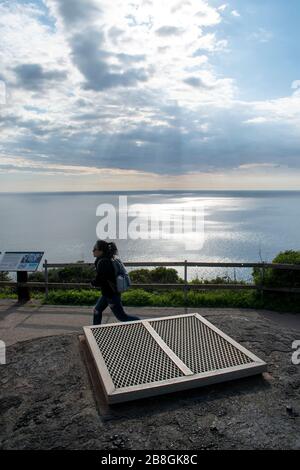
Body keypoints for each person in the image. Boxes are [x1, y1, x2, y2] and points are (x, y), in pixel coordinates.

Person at [91, 240, 141, 325]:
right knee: (97, 310)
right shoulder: (106, 259)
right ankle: (95, 333)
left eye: (94, 249)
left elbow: (101, 280)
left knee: (122, 317)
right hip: (107, 293)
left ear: (101, 251)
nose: (93, 251)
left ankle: (141, 323)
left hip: (111, 295)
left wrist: (93, 283)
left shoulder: (104, 262)